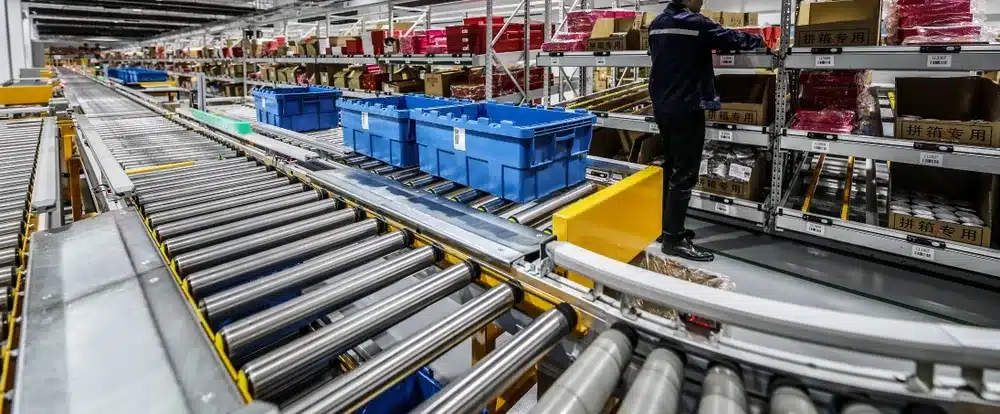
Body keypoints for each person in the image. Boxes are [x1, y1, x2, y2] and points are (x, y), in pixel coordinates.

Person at [648, 0, 764, 262]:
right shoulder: (695, 24)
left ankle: (666, 229)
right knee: (685, 173)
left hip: (663, 106)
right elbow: (730, 38)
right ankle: (674, 240)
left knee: (671, 167)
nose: (702, 2)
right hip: (687, 106)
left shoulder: (656, 24)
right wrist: (760, 40)